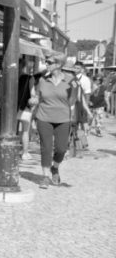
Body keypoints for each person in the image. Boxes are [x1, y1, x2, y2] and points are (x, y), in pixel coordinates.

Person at [33, 57, 77, 189]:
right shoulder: (42, 80)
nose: (46, 64)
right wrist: (33, 100)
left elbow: (73, 100)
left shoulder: (71, 80)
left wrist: (72, 116)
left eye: (50, 62)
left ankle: (55, 167)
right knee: (46, 148)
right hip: (44, 118)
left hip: (63, 119)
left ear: (59, 64)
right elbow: (37, 97)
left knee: (61, 149)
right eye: (46, 62)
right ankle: (45, 176)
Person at [17, 57, 37, 161]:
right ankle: (24, 153)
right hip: (25, 108)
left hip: (10, 109)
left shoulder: (6, 76)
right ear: (25, 66)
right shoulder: (29, 78)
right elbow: (33, 94)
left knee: (12, 131)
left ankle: (14, 150)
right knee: (25, 131)